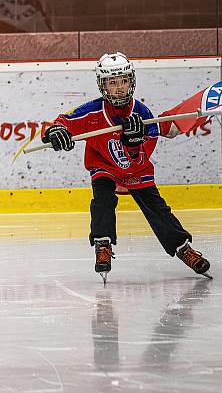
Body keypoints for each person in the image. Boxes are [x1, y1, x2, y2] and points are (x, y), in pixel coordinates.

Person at [42, 52, 211, 283]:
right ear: (103, 86)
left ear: (131, 81)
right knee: (103, 200)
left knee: (157, 208)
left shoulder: (142, 114)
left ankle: (182, 247)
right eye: (112, 83)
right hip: (104, 166)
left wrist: (133, 142)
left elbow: (143, 153)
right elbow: (62, 122)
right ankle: (103, 244)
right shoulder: (91, 111)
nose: (119, 88)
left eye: (123, 81)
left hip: (136, 170)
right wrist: (54, 131)